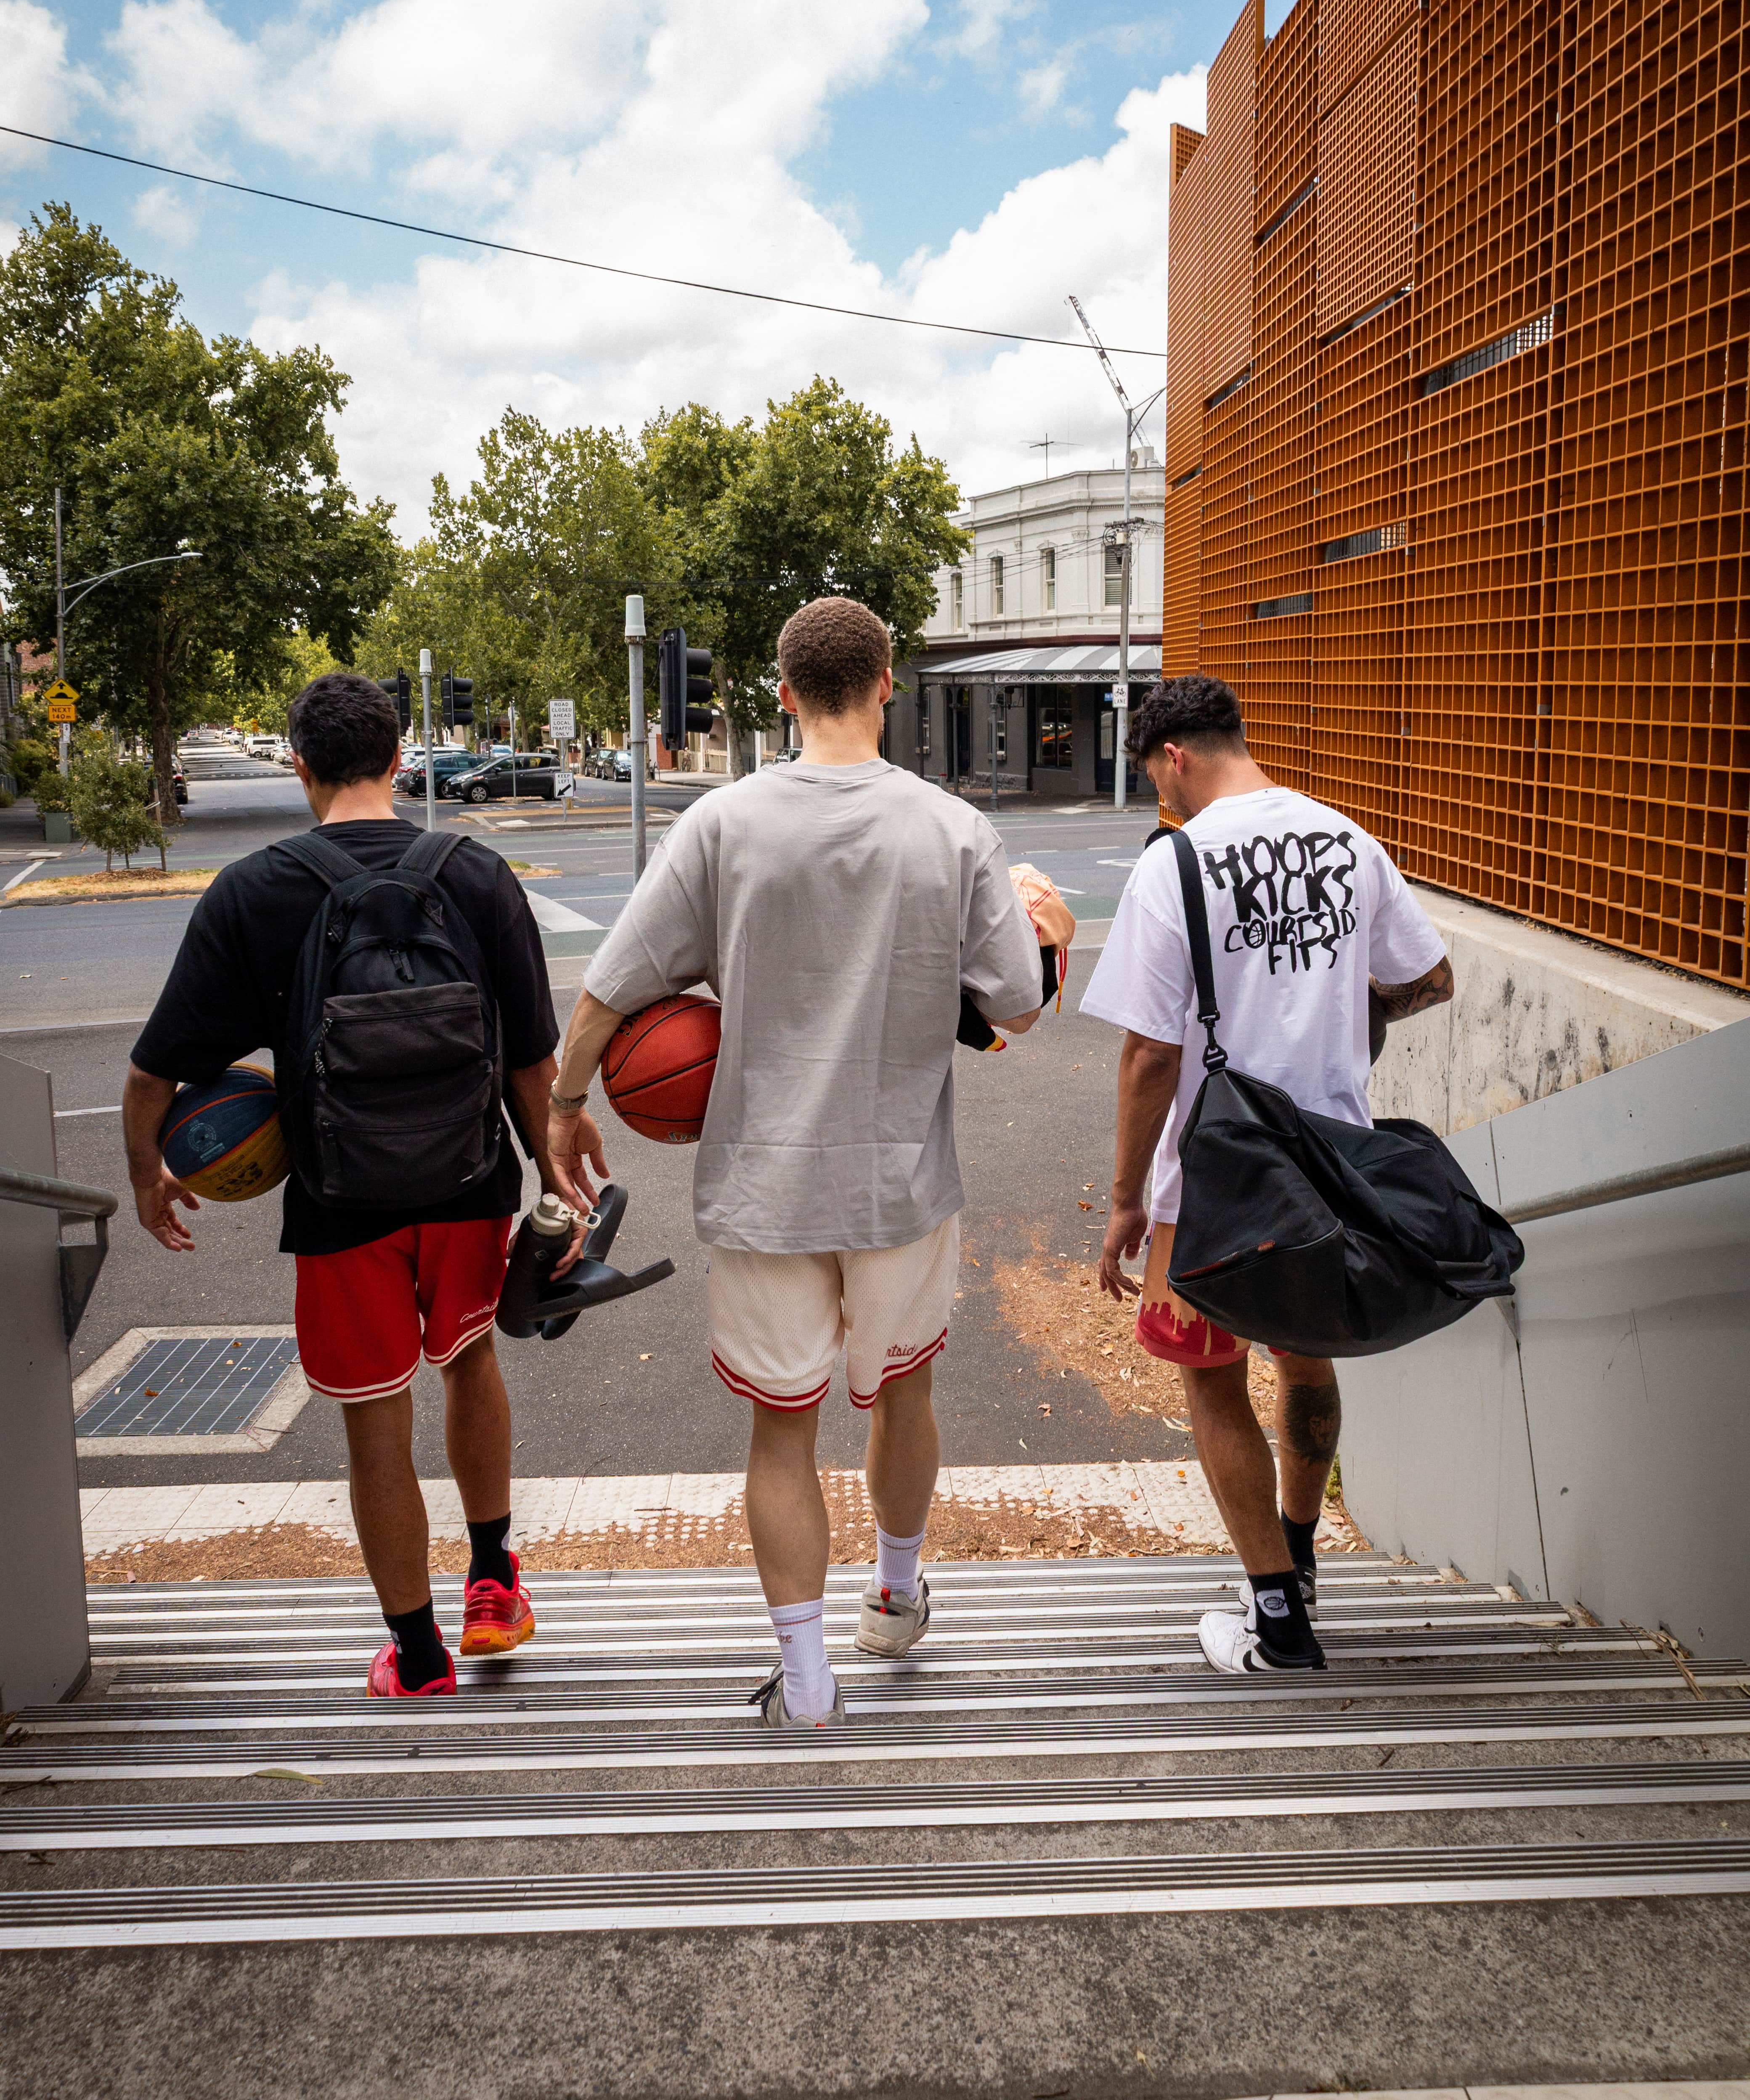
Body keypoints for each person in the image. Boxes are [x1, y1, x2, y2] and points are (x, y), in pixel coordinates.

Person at [546, 597, 1043, 1726]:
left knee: (782, 1425)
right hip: (902, 1182)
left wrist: (569, 1105)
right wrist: (1040, 924)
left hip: (763, 1186)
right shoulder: (954, 830)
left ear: (781, 695)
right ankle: (899, 1593)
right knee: (904, 1392)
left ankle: (809, 1683)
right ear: (884, 687)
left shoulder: (721, 826)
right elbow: (1018, 1000)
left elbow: (608, 992)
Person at [122, 671, 597, 1698]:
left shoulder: (253, 891)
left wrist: (147, 1178)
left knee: (374, 1423)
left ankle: (419, 1660)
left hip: (340, 1208)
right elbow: (528, 1062)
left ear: (299, 767)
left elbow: (154, 1071)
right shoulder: (475, 875)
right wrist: (554, 1166)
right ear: (396, 756)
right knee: (471, 1368)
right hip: (470, 1184)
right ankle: (492, 1586)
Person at [1080, 675, 1453, 1675]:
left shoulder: (1176, 864)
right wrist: (1338, 1023)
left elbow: (1150, 1055)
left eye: (1163, 783)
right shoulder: (1347, 839)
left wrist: (1123, 1200)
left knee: (1210, 1380)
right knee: (1304, 1358)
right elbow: (1428, 979)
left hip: (1213, 1175)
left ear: (1174, 759)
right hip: (1331, 1162)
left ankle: (1278, 1623)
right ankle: (1295, 1556)